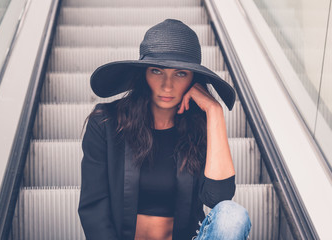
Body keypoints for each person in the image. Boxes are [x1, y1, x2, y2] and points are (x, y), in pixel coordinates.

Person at [78, 19, 251, 240]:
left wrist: (214, 111)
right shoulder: (107, 123)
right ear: (143, 74)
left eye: (180, 74)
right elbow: (94, 208)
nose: (167, 85)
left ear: (193, 79)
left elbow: (218, 198)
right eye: (157, 71)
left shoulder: (200, 129)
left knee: (233, 215)